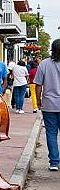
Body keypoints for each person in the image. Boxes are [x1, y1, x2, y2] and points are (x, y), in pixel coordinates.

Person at [35, 39, 60, 171]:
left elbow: (38, 85)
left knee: (51, 133)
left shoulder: (44, 63)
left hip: (49, 104)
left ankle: (54, 162)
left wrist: (38, 100)